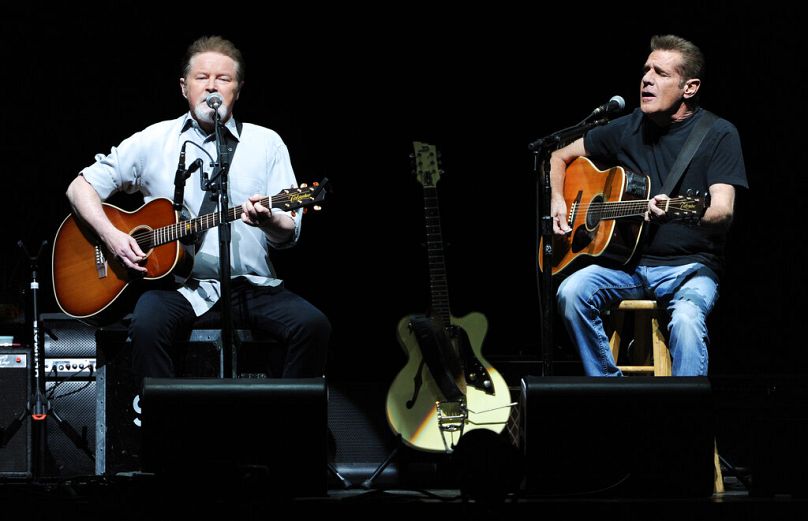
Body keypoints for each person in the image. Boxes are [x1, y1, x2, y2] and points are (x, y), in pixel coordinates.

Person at [66, 35, 330, 380]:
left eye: (223, 79)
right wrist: (112, 236)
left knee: (312, 325)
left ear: (239, 88)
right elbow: (80, 187)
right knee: (146, 324)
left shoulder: (267, 143)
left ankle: (286, 427)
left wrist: (268, 221)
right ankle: (162, 426)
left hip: (249, 287)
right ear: (183, 86)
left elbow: (288, 232)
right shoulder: (154, 140)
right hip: (179, 289)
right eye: (201, 78)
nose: (212, 87)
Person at [550, 34, 748, 376]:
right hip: (628, 266)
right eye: (645, 70)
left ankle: (686, 419)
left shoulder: (719, 134)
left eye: (661, 73)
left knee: (686, 320)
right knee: (571, 292)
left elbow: (723, 211)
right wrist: (557, 200)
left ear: (689, 88)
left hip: (689, 268)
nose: (647, 79)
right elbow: (557, 156)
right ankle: (614, 393)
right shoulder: (628, 127)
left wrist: (677, 210)